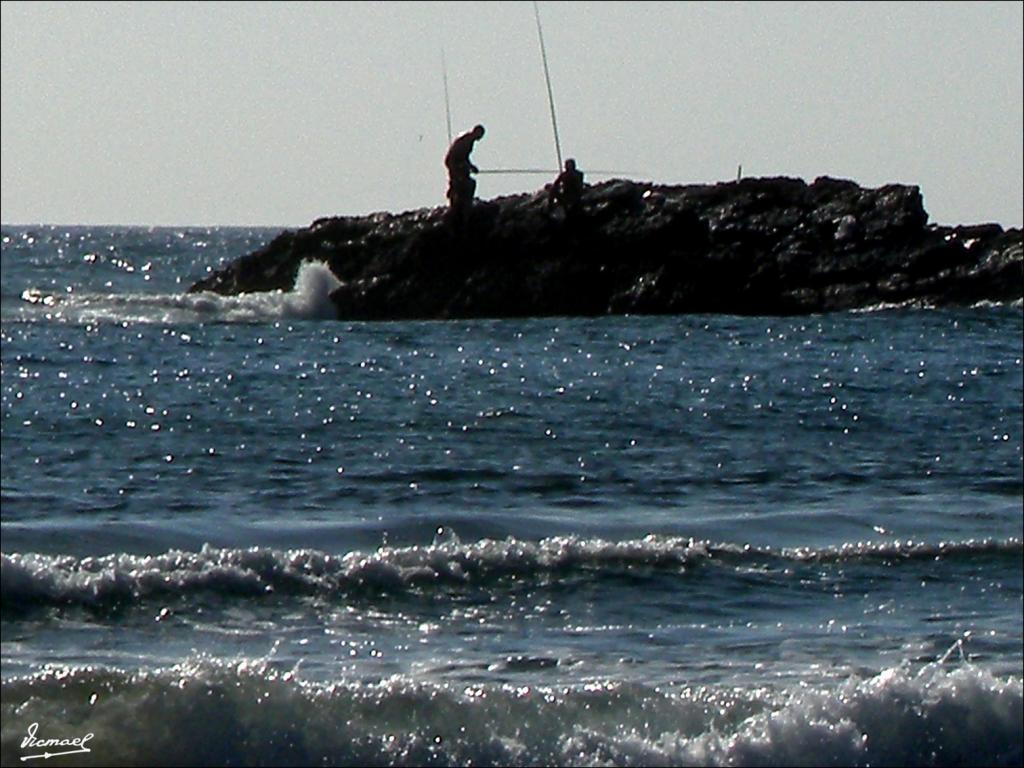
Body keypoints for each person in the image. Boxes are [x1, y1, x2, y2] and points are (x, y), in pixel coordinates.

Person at [445, 124, 485, 226]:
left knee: (462, 183)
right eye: (480, 135)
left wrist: (470, 167)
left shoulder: (468, 140)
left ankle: (458, 202)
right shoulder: (466, 141)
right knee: (466, 184)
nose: (480, 138)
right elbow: (457, 156)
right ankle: (459, 205)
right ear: (476, 132)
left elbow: (464, 157)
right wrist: (466, 167)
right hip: (454, 164)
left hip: (456, 164)